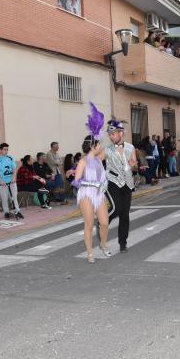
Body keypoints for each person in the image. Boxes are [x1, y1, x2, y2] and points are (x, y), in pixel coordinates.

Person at [73, 104, 111, 263]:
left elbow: (106, 150)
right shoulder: (83, 161)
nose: (101, 145)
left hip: (99, 193)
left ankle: (103, 244)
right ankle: (90, 252)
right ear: (93, 146)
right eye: (98, 143)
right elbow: (76, 181)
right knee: (88, 224)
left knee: (104, 223)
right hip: (86, 193)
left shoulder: (98, 158)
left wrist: (98, 132)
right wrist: (81, 179)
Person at [104, 118, 137, 252]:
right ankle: (102, 220)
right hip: (112, 181)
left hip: (127, 183)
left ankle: (122, 243)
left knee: (125, 214)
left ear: (121, 133)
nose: (111, 137)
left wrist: (133, 165)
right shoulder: (107, 150)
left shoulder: (130, 147)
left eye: (113, 134)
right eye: (109, 135)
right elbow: (93, 159)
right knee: (116, 208)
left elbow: (132, 164)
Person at [0, 143, 24, 219]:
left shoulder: (10, 158)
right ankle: (6, 212)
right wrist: (1, 181)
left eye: (7, 149)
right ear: (0, 150)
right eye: (4, 150)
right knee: (4, 198)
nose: (6, 151)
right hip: (2, 183)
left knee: (14, 197)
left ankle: (17, 211)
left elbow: (14, 169)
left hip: (12, 182)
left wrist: (13, 178)